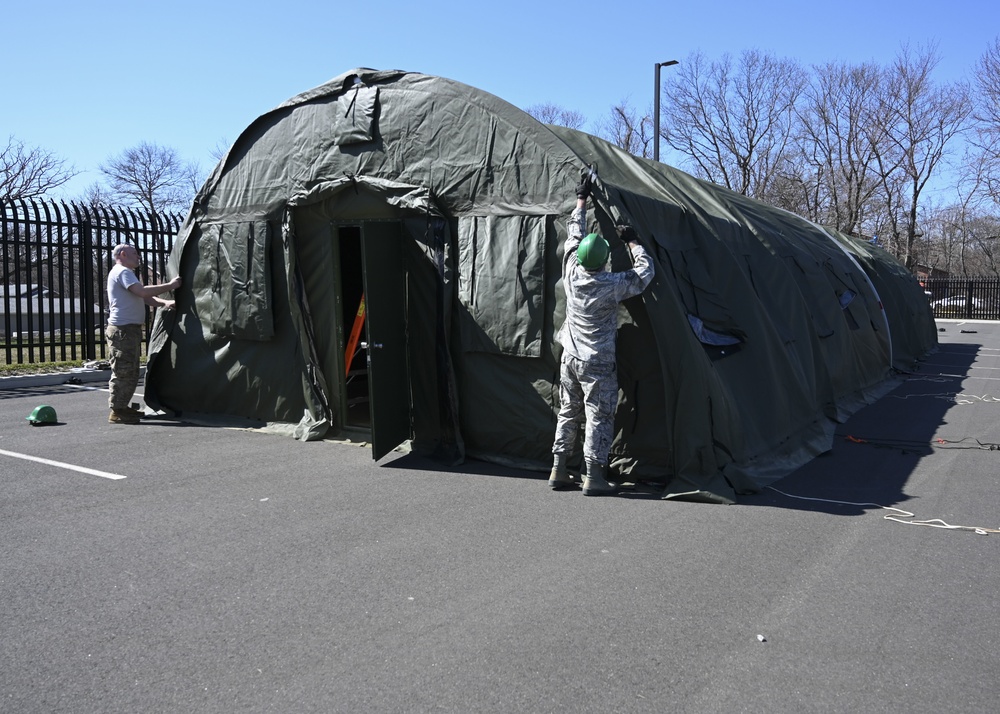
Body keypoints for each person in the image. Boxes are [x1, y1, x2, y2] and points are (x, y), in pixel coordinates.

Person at [549, 171, 655, 495]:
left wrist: (581, 199)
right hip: (596, 361)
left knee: (568, 409)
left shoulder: (571, 271)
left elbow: (574, 233)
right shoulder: (610, 285)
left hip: (570, 355)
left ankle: (558, 468)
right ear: (605, 260)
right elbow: (645, 273)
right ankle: (593, 476)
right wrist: (634, 241)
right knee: (599, 413)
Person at [105, 244, 181, 424]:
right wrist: (171, 285)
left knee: (130, 371)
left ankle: (123, 407)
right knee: (124, 371)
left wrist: (164, 303)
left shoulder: (126, 273)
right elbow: (142, 291)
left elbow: (144, 297)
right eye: (135, 254)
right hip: (122, 330)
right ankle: (117, 411)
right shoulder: (122, 271)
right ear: (122, 254)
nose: (138, 257)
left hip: (127, 330)